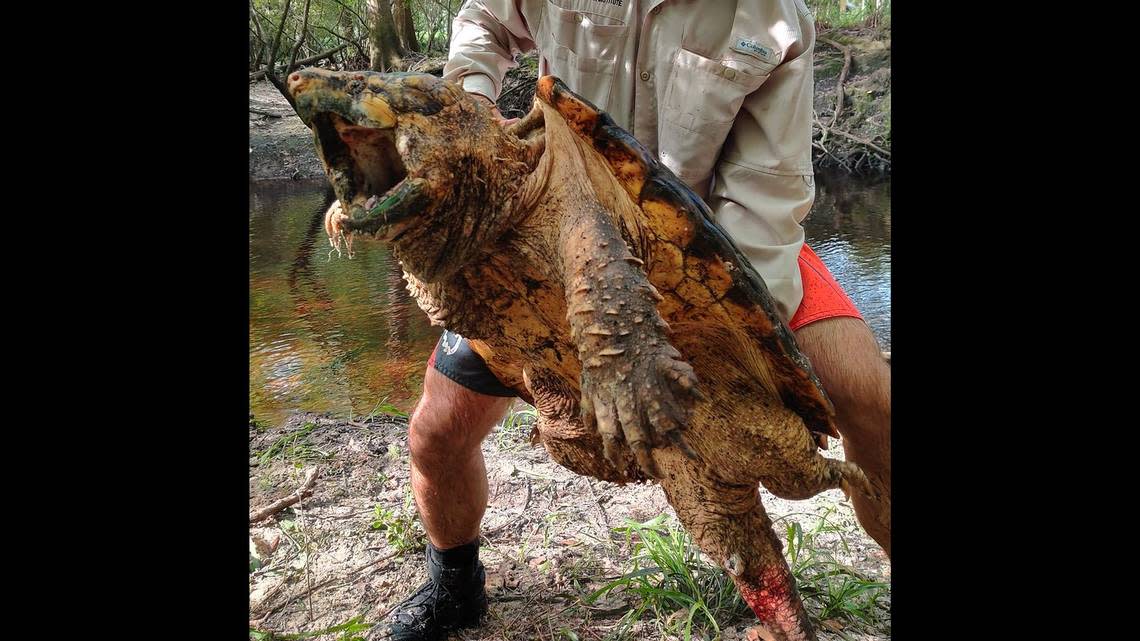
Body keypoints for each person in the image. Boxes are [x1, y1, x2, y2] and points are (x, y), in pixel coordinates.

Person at [385, 2, 891, 639]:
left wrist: (715, 337)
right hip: (548, 227)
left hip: (710, 239)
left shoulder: (770, 17)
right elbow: (483, 19)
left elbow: (765, 194)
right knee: (436, 433)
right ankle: (455, 582)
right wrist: (472, 103)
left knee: (873, 402)